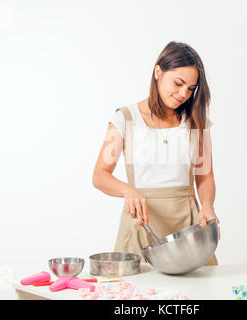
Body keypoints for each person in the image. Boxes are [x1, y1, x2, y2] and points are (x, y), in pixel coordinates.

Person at [92, 41, 219, 265]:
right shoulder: (125, 119)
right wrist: (127, 190)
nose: (183, 94)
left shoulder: (195, 122)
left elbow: (205, 176)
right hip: (142, 224)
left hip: (187, 229)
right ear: (158, 72)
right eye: (178, 83)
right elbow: (100, 175)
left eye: (190, 88)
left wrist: (207, 205)